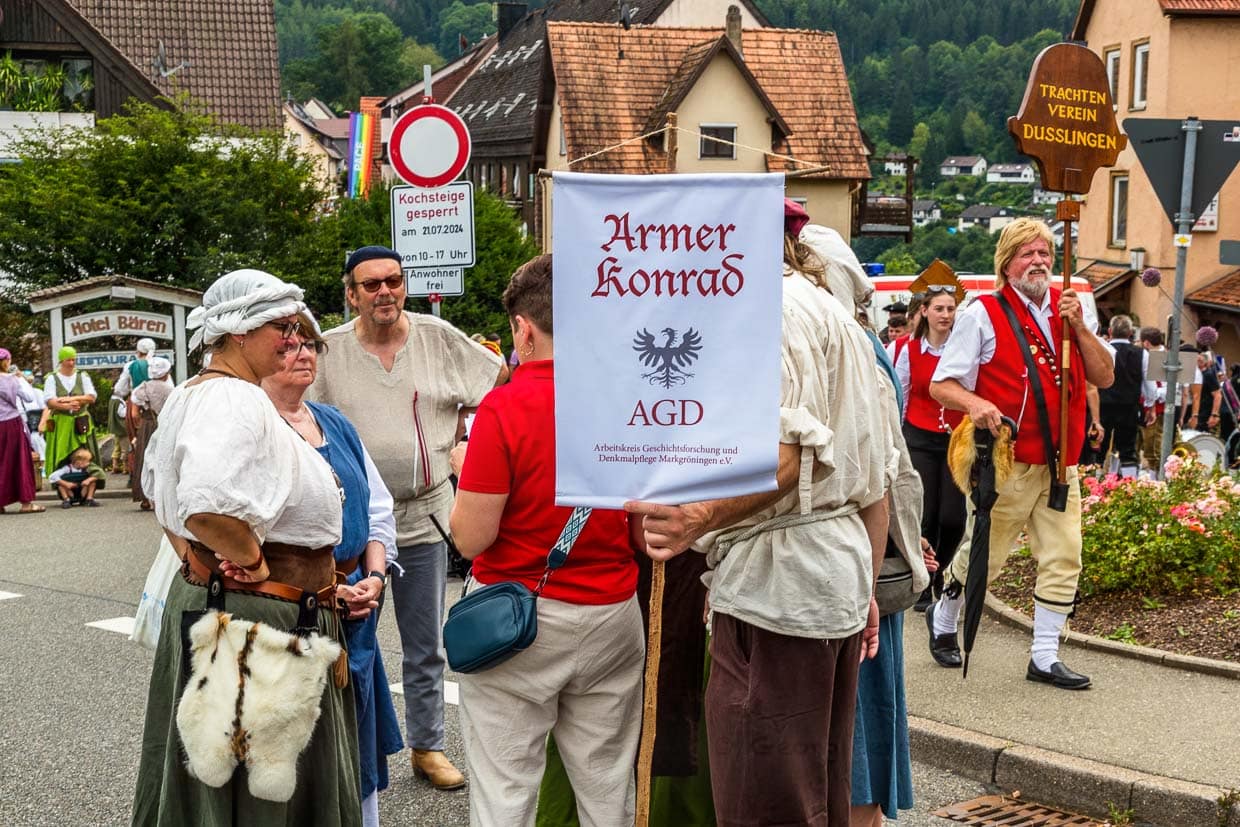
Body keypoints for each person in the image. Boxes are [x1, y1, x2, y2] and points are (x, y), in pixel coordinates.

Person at [624, 209, 897, 826]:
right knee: (814, 797)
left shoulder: (765, 312)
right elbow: (877, 482)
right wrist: (869, 584)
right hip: (830, 579)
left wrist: (698, 516)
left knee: (766, 801)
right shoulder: (837, 316)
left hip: (781, 590)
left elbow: (789, 451)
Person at [132, 269, 360, 826]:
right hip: (258, 625)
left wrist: (194, 556)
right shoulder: (233, 397)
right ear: (238, 333)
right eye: (281, 326)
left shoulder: (199, 395)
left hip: (251, 619)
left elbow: (160, 486)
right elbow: (204, 504)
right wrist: (253, 563)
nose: (292, 338)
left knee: (243, 789)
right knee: (260, 797)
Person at [449, 254, 644, 826]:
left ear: (523, 329)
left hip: (517, 616)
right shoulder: (625, 404)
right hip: (611, 610)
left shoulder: (503, 406)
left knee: (505, 795)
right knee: (607, 788)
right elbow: (639, 527)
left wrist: (463, 471)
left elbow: (472, 535)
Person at [308, 245, 503, 790]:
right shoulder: (330, 350)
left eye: (393, 281)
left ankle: (428, 747)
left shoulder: (438, 338)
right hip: (351, 527)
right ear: (351, 294)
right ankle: (346, 752)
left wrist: (468, 442)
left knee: (425, 646)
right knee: (345, 643)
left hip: (424, 518)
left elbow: (496, 384)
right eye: (370, 285)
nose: (384, 292)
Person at [924, 218, 1114, 690]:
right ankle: (945, 613)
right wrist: (977, 403)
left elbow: (1105, 376)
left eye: (1045, 253)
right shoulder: (982, 312)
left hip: (1059, 465)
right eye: (1028, 254)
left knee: (1064, 555)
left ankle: (1045, 655)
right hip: (1006, 462)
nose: (1039, 262)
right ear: (1007, 262)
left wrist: (1079, 328)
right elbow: (941, 384)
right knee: (985, 556)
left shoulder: (1069, 309)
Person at [262, 314, 404, 827]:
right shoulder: (257, 429)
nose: (302, 355)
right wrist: (322, 593)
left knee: (355, 736)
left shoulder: (335, 421)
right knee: (299, 746)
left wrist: (375, 576)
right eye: (287, 348)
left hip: (356, 607)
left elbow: (376, 508)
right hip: (288, 610)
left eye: (309, 346)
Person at [1095, 316, 1144, 478]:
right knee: (1128, 449)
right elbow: (1148, 384)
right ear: (1130, 333)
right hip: (1129, 406)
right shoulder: (1141, 354)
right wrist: (1148, 405)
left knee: (1099, 446)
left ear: (1109, 331)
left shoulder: (1102, 350)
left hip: (1104, 404)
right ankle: (1130, 485)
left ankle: (1094, 482)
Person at [42, 345, 101, 479]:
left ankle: (87, 484)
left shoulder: (82, 376)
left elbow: (91, 397)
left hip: (81, 422)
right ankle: (62, 484)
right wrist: (67, 406)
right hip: (62, 422)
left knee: (85, 453)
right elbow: (49, 401)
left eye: (73, 360)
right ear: (61, 360)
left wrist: (70, 399)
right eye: (68, 360)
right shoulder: (52, 378)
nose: (71, 363)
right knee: (63, 454)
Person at [0, 347, 44, 514]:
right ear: (7, 362)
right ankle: (26, 503)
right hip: (12, 423)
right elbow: (29, 397)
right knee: (20, 461)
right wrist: (21, 378)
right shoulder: (13, 380)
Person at [129, 356, 174, 510]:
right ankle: (162, 496)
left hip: (147, 424)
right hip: (165, 425)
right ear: (166, 373)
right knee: (163, 459)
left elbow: (134, 413)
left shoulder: (143, 387)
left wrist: (139, 425)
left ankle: (146, 497)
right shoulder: (170, 390)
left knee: (143, 457)